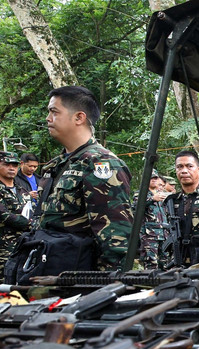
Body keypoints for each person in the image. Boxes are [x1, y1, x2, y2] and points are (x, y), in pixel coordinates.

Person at [5, 86, 133, 281]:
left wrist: (107, 287)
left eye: (54, 112)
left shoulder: (101, 163)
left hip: (76, 281)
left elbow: (115, 239)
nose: (48, 118)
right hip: (47, 272)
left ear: (79, 117)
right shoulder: (57, 165)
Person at [0, 152, 31, 273]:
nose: (11, 168)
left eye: (14, 165)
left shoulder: (22, 190)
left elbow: (32, 210)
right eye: (7, 164)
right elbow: (4, 215)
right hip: (4, 246)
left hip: (23, 244)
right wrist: (30, 223)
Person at [136, 171, 169, 269]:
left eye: (155, 178)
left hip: (164, 235)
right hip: (149, 236)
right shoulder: (141, 193)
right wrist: (152, 199)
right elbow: (136, 207)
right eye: (151, 178)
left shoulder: (161, 194)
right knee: (151, 263)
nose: (154, 180)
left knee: (166, 263)